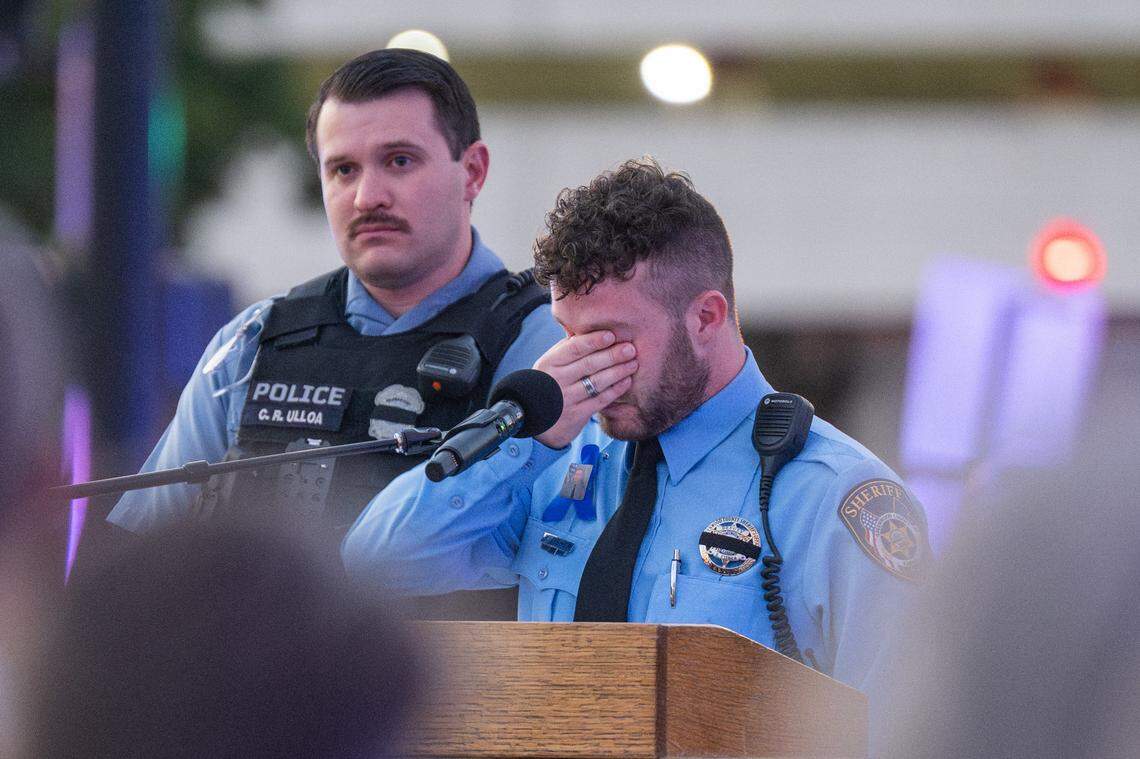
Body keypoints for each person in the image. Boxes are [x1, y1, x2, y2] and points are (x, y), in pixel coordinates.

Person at [344, 157, 930, 735]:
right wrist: (530, 442)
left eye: (612, 340)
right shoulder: (552, 462)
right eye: (570, 338)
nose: (589, 369)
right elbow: (375, 563)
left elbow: (908, 729)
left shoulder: (831, 493)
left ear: (705, 318)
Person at [106, 49, 564, 550]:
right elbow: (138, 553)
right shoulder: (252, 345)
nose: (368, 197)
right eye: (343, 170)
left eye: (400, 161)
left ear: (472, 171)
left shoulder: (546, 349)